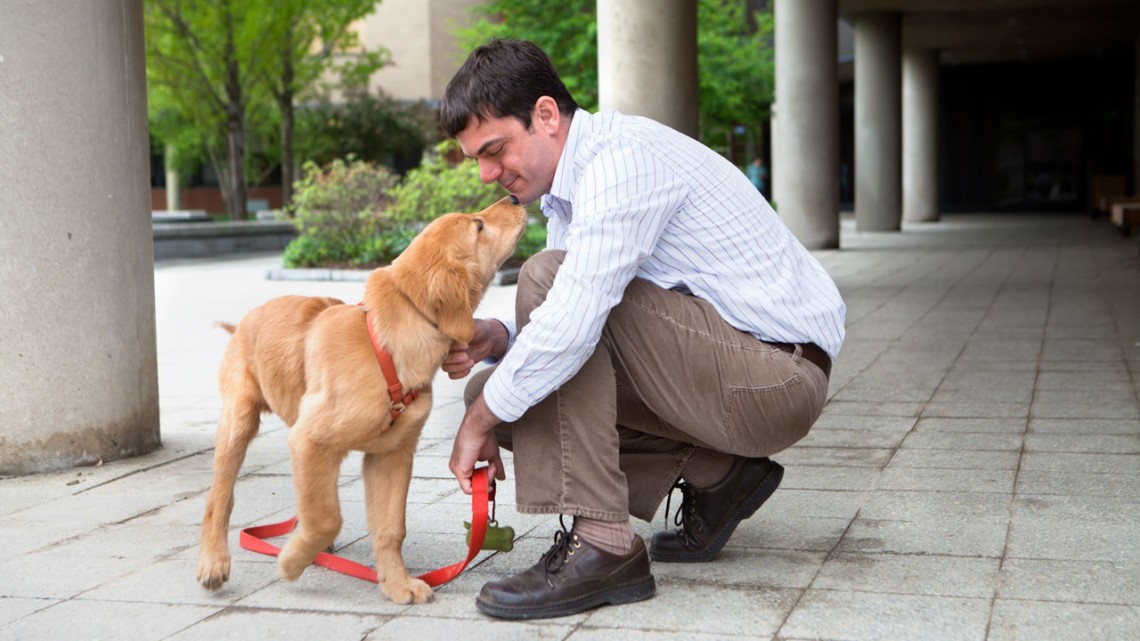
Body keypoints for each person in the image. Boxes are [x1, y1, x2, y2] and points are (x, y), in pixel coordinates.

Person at [439, 39, 845, 620]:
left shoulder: (622, 161)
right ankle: (720, 473)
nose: (485, 173)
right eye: (476, 158)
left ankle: (603, 545)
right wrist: (500, 337)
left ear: (547, 116)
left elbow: (573, 317)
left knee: (537, 313)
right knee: (503, 394)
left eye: (495, 149)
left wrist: (476, 424)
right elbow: (572, 322)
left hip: (778, 376)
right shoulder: (571, 191)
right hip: (725, 371)